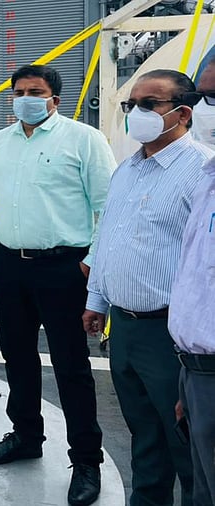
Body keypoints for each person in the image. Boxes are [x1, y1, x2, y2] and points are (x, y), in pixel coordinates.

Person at [0, 65, 116, 506]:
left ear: (55, 98)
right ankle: (25, 436)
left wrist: (91, 262)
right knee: (16, 356)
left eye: (35, 92)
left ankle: (86, 461)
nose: (26, 99)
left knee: (71, 367)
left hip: (64, 268)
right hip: (11, 265)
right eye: (19, 92)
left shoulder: (83, 139)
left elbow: (109, 206)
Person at [83, 69, 209, 506]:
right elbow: (108, 237)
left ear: (183, 113)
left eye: (149, 104)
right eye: (131, 104)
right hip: (125, 329)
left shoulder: (203, 172)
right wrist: (97, 300)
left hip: (171, 335)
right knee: (144, 435)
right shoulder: (127, 170)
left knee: (188, 444)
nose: (136, 113)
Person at [169, 59, 215, 506]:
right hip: (196, 371)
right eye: (201, 96)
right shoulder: (209, 179)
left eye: (213, 97)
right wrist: (189, 382)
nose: (203, 108)